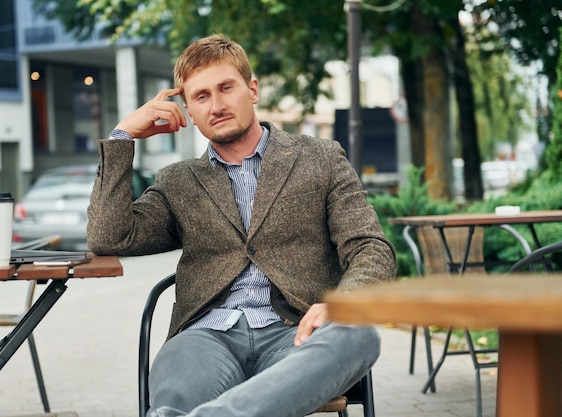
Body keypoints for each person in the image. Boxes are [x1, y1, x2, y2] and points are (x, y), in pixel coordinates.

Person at [87, 34, 396, 417]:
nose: (216, 105)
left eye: (226, 88)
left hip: (298, 332)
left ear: (252, 89)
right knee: (177, 391)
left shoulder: (320, 158)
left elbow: (371, 247)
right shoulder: (177, 181)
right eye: (201, 97)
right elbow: (109, 236)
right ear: (188, 111)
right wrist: (122, 136)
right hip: (204, 338)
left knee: (358, 337)